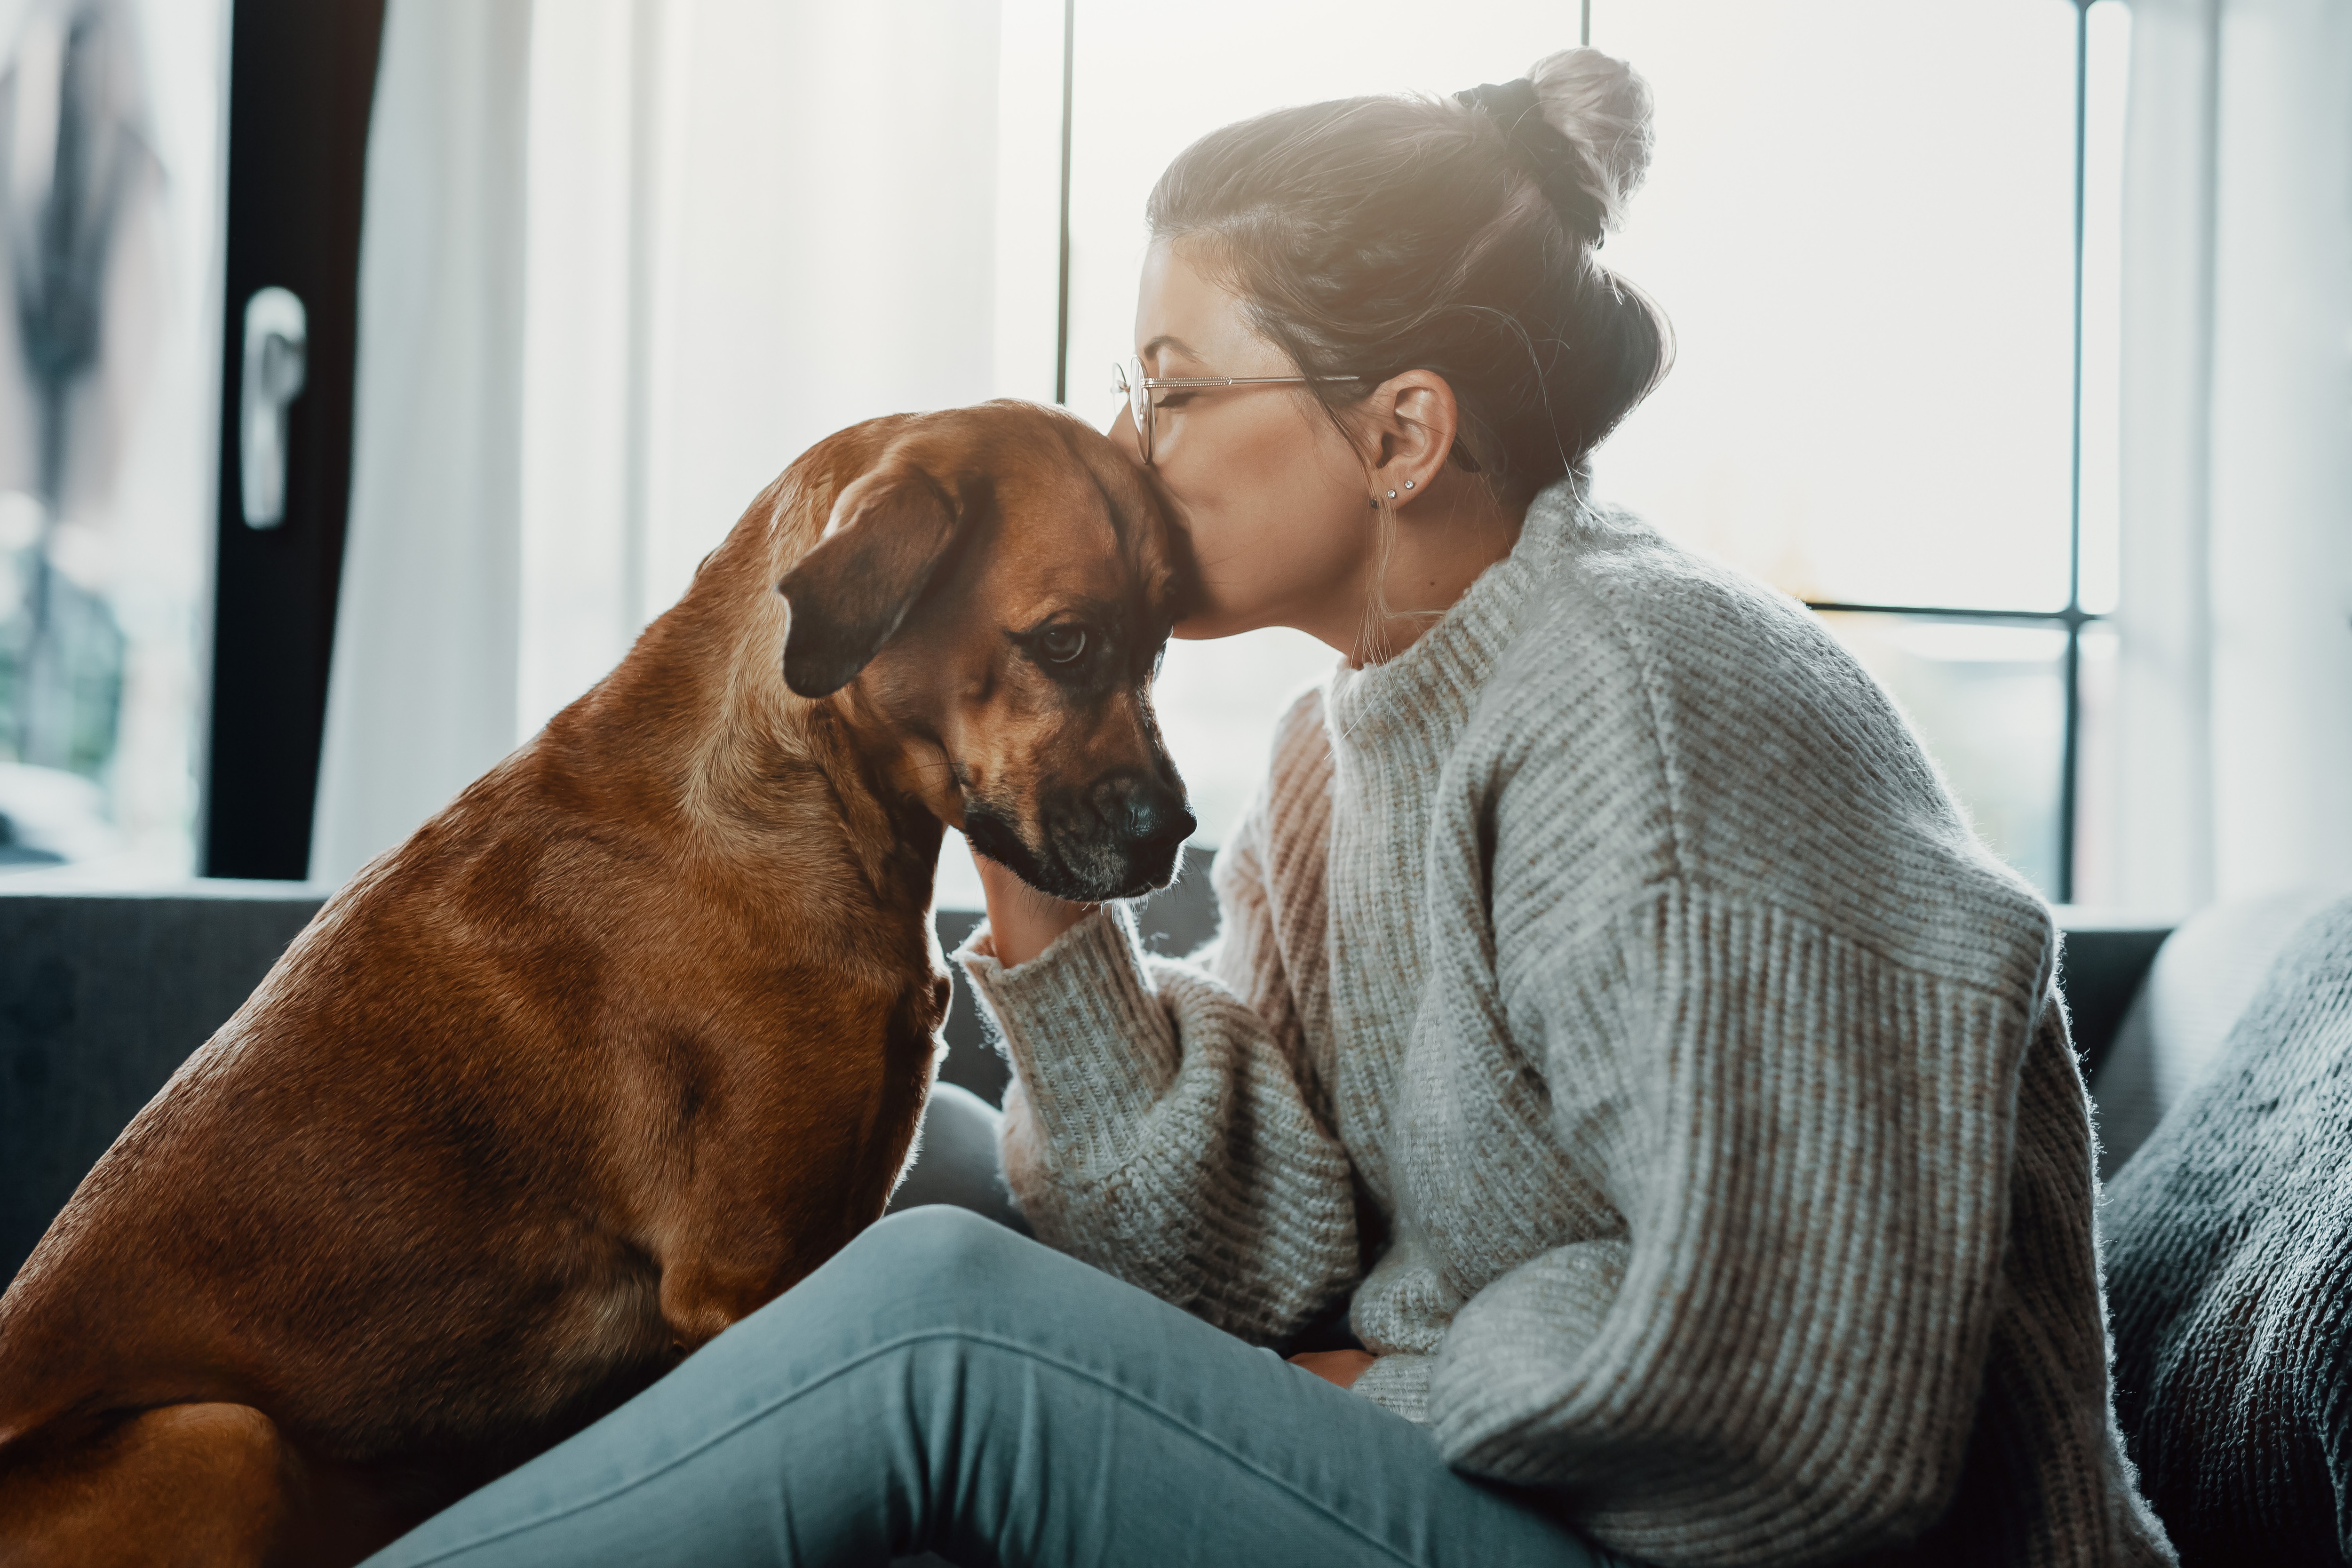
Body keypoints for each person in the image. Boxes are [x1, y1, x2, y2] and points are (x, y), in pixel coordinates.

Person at [366, 47, 2174, 1568]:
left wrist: (1380, 1387)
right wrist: (1035, 834)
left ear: (1398, 435)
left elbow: (1801, 1393)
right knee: (888, 1151)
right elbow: (1255, 1245)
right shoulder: (1350, 739)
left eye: (1171, 392)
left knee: (939, 1326)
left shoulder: (1659, 700)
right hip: (1528, 1487)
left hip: (1722, 1541)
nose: (1119, 452)